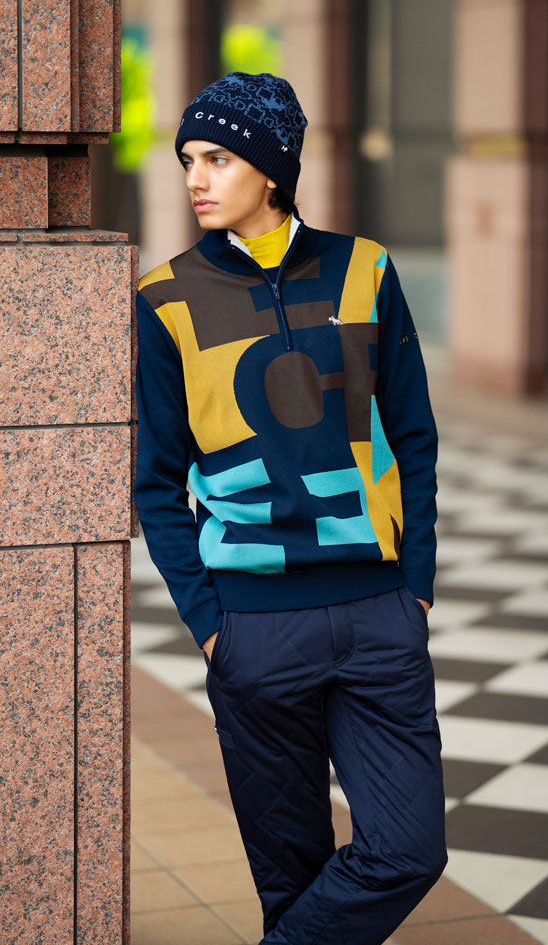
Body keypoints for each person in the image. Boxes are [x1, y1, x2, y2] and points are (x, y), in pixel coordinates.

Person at [134, 71, 446, 945]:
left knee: (408, 851)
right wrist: (212, 625)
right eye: (188, 160)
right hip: (254, 631)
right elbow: (155, 481)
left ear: (271, 170)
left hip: (378, 613)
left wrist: (416, 586)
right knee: (292, 875)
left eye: (218, 159)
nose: (195, 179)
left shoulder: (366, 270)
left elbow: (413, 436)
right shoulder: (164, 300)